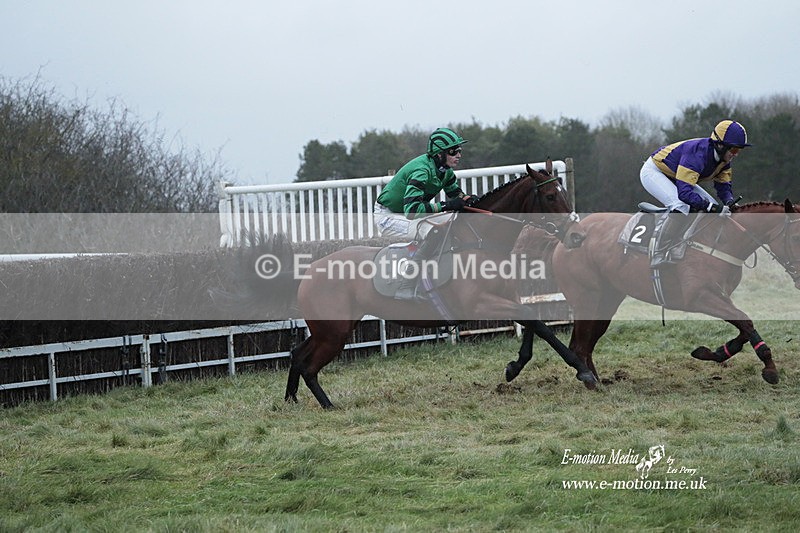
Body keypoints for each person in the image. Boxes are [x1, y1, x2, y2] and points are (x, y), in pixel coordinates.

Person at [374, 127, 477, 298]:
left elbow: (455, 194)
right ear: (439, 154)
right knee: (432, 230)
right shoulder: (421, 171)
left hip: (408, 211)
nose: (458, 154)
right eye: (453, 151)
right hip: (388, 216)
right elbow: (413, 211)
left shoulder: (446, 172)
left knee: (455, 221)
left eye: (459, 150)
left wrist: (468, 199)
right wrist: (446, 205)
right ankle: (406, 285)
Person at [640, 119, 751, 267]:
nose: (736, 154)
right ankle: (659, 252)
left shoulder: (724, 160)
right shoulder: (696, 155)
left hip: (677, 175)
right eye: (734, 150)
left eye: (739, 150)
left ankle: (692, 245)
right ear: (720, 145)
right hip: (655, 172)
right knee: (681, 206)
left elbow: (723, 187)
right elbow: (685, 194)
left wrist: (730, 202)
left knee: (713, 207)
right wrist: (712, 207)